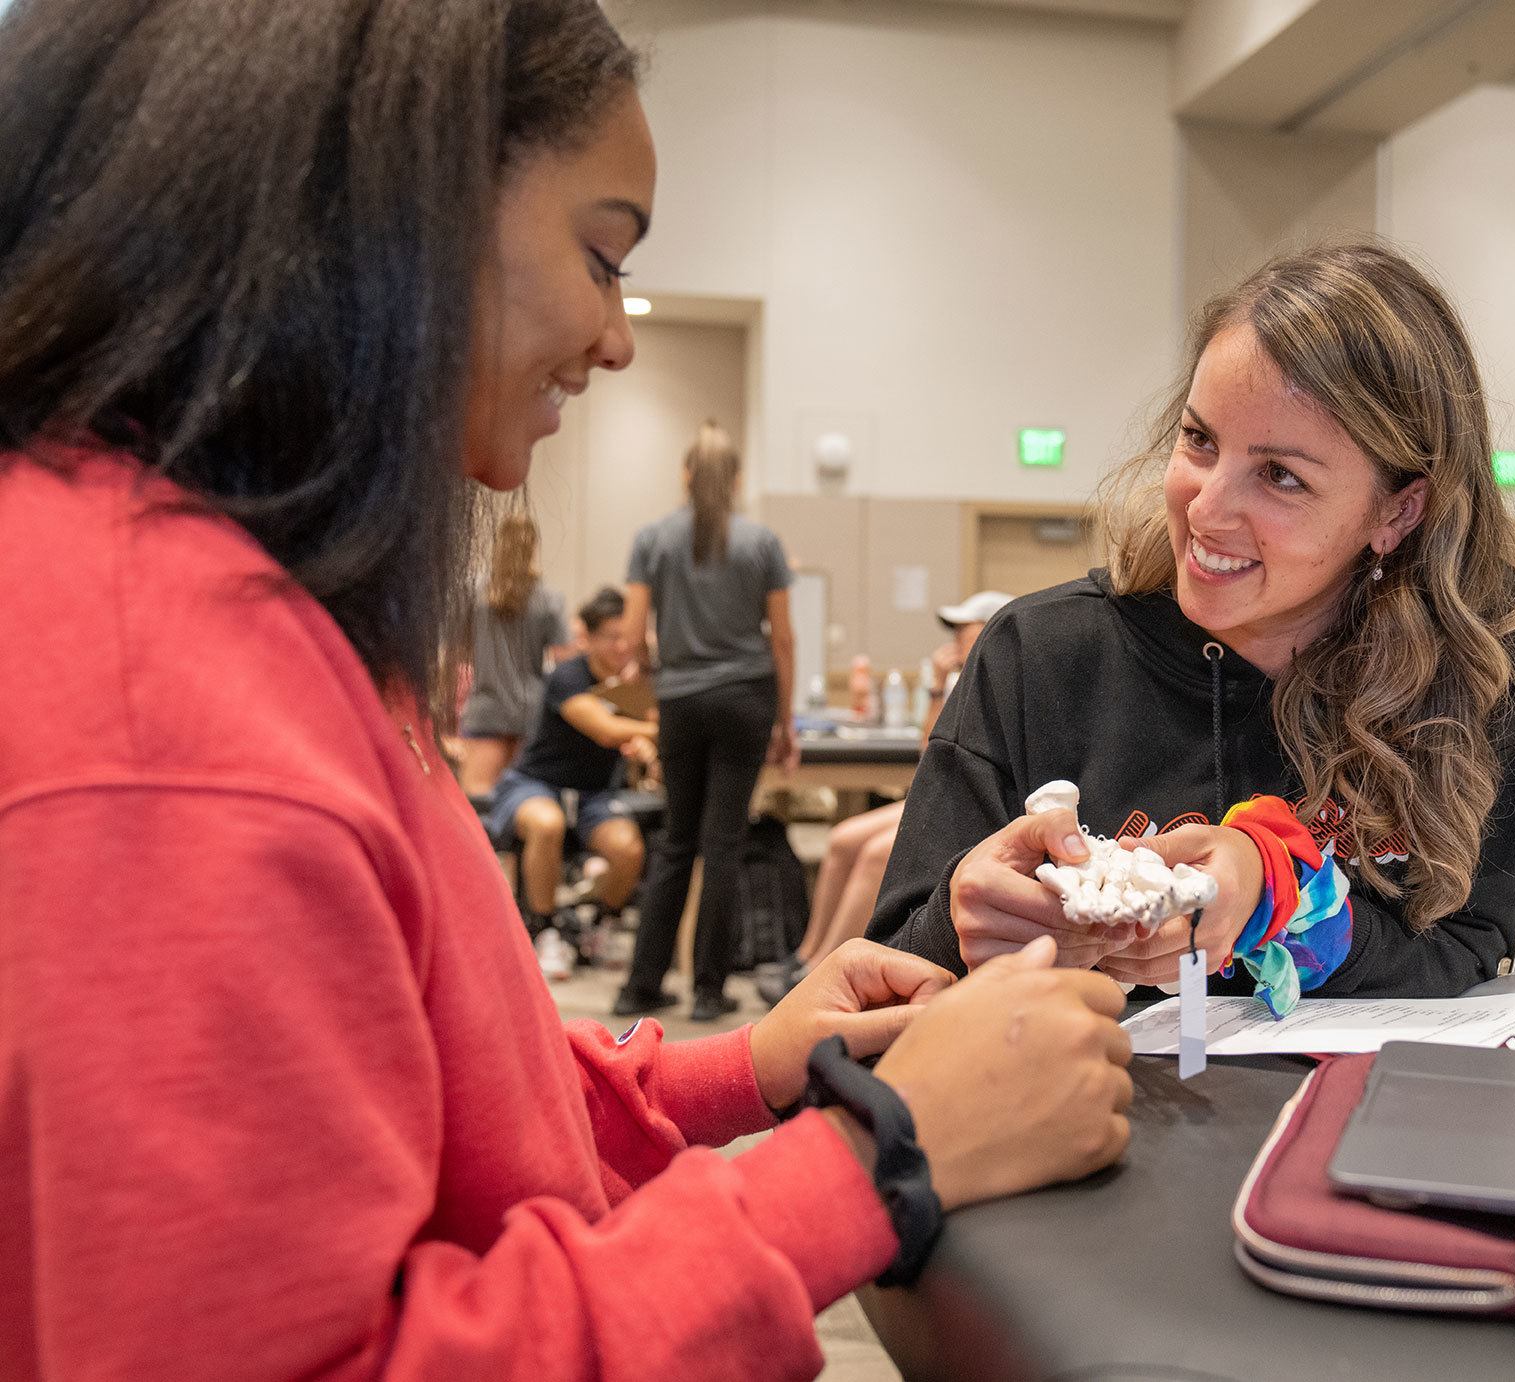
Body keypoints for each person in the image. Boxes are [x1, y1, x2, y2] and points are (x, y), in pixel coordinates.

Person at [0, 3, 1134, 1377]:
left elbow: (447, 1102)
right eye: (599, 258)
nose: (613, 338)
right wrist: (873, 1158)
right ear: (389, 203)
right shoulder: (172, 718)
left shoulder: (240, 596)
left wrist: (756, 1063)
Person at [870, 241, 1515, 1009]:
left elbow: (1467, 952)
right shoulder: (1041, 656)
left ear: (1396, 510)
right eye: (1200, 441)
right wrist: (961, 923)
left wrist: (1281, 904)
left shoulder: (1474, 665)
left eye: (1281, 476)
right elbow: (884, 985)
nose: (1204, 507)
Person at [616, 422, 798, 1020]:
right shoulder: (762, 542)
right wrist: (785, 721)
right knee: (724, 843)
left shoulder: (652, 539)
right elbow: (783, 640)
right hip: (746, 697)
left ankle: (641, 984)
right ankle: (709, 991)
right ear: (738, 479)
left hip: (681, 700)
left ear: (686, 475)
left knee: (676, 840)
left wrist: (651, 666)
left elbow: (631, 630)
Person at [762, 591, 1014, 1003]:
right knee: (844, 838)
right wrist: (936, 685)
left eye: (963, 630)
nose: (953, 640)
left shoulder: (1005, 680)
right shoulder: (958, 678)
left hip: (981, 804)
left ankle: (820, 971)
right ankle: (806, 955)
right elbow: (931, 754)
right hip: (943, 791)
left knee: (878, 853)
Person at [483, 586, 653, 979]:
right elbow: (606, 729)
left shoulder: (636, 687)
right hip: (535, 784)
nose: (622, 646)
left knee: (628, 848)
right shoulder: (567, 677)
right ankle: (546, 932)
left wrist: (646, 746)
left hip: (594, 795)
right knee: (547, 824)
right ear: (588, 639)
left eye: (628, 636)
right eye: (612, 637)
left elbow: (634, 735)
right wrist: (655, 729)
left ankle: (600, 926)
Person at [458, 512, 572, 796]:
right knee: (520, 801)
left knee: (478, 802)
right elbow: (564, 664)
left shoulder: (473, 592)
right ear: (534, 546)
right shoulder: (550, 598)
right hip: (531, 714)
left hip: (486, 709)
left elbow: (457, 650)